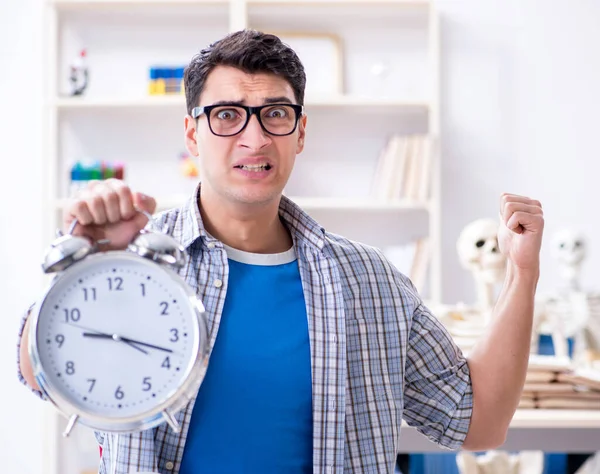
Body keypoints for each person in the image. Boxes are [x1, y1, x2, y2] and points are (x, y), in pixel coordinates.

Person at [17, 29, 544, 474]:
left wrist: (521, 274)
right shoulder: (133, 262)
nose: (254, 137)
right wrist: (86, 266)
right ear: (192, 133)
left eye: (275, 114)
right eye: (227, 115)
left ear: (300, 133)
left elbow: (477, 420)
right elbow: (34, 371)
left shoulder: (370, 279)